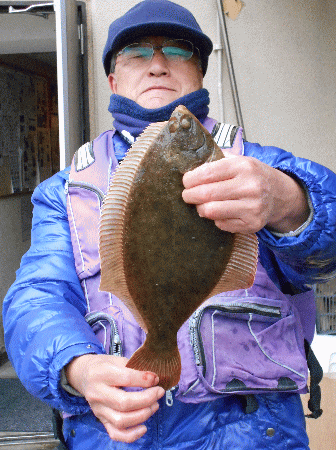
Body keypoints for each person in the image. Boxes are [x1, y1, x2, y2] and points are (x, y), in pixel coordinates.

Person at [3, 1, 336, 449]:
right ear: (112, 79)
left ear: (200, 74)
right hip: (119, 434)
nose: (158, 64)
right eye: (137, 52)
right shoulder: (64, 192)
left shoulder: (261, 169)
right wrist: (76, 367)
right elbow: (37, 296)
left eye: (178, 51)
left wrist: (293, 202)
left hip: (254, 432)